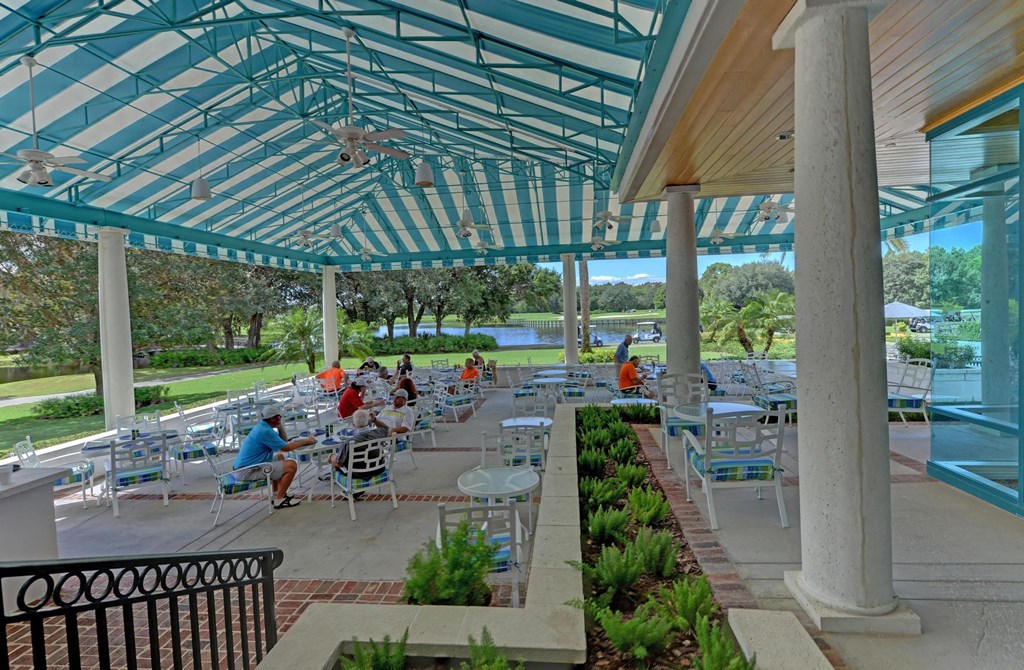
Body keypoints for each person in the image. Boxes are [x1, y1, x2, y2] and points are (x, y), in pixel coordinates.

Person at [232, 403, 316, 509]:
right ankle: (280, 500)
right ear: (272, 418)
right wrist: (307, 441)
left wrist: (280, 426)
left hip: (247, 467)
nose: (281, 418)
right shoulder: (265, 431)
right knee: (291, 465)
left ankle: (276, 494)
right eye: (279, 416)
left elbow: (283, 441)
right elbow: (286, 448)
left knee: (280, 458)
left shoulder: (263, 426)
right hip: (246, 471)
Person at [327, 410, 389, 496]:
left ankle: (353, 491)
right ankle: (357, 492)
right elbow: (385, 427)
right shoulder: (378, 433)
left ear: (353, 424)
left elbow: (339, 463)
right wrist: (374, 419)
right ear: (368, 421)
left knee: (336, 459)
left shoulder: (349, 443)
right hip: (379, 469)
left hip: (357, 474)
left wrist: (331, 457)